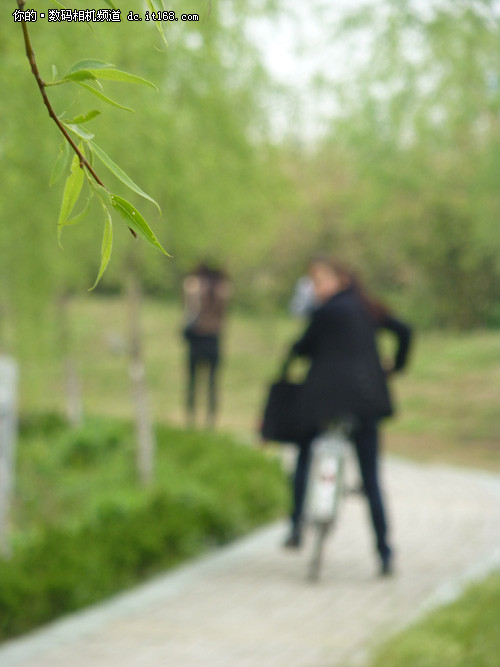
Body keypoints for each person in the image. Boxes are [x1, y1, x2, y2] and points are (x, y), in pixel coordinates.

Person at [284, 256, 412, 577]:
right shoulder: (368, 308)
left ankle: (297, 524)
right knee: (370, 479)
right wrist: (395, 366)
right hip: (367, 402)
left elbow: (302, 347)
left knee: (303, 454)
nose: (316, 288)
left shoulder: (324, 312)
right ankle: (384, 551)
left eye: (319, 281)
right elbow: (405, 331)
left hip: (323, 402)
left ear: (339, 280)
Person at [182, 263, 231, 428]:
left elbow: (189, 309)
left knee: (194, 382)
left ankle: (192, 420)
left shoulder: (195, 288)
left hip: (199, 337)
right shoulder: (222, 289)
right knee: (211, 384)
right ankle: (209, 421)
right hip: (212, 339)